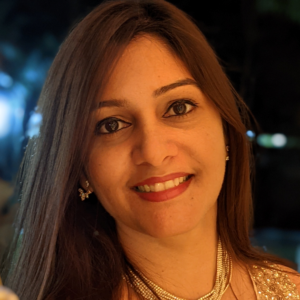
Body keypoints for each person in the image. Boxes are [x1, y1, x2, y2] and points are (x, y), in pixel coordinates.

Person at [2, 0, 300, 299]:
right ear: (81, 170)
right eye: (112, 125)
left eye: (178, 107)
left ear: (224, 129)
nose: (154, 153)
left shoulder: (291, 290)